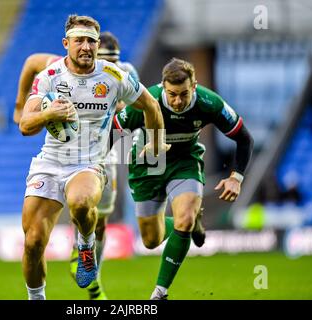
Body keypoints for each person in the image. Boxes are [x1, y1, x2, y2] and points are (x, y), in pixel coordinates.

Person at [19, 14, 168, 300]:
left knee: (80, 200)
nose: (86, 47)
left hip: (88, 162)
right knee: (34, 241)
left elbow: (151, 105)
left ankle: (86, 245)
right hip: (49, 163)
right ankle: (36, 297)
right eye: (79, 41)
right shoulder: (49, 77)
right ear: (66, 43)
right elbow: (26, 125)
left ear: (98, 45)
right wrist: (50, 113)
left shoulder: (113, 76)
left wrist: (156, 143)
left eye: (91, 41)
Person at [113, 58, 254, 299]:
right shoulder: (148, 100)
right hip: (149, 165)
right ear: (163, 87)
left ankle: (160, 292)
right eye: (172, 94)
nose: (177, 101)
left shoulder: (210, 103)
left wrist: (236, 177)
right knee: (150, 240)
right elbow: (115, 131)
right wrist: (118, 159)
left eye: (184, 94)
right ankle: (184, 224)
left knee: (185, 218)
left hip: (185, 162)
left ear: (194, 86)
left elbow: (244, 138)